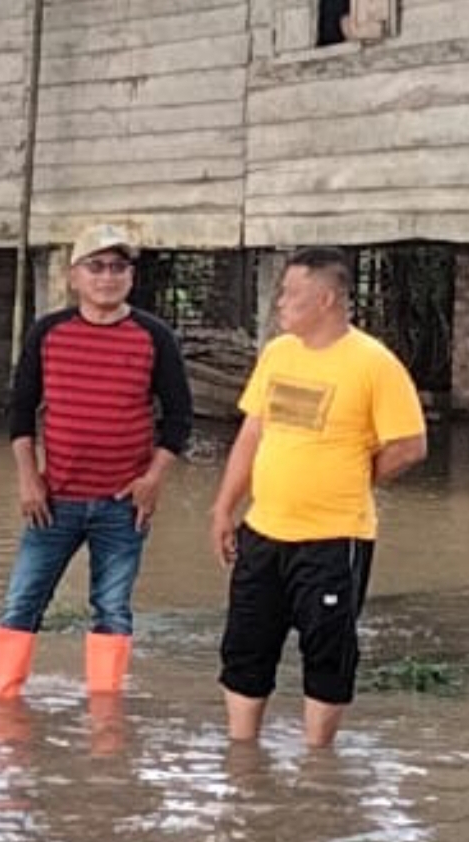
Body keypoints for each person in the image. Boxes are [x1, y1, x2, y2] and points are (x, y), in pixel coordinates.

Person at [210, 247, 427, 747]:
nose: (280, 303)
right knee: (245, 647)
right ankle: (242, 755)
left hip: (334, 537)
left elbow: (411, 446)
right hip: (263, 530)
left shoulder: (373, 363)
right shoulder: (278, 354)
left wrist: (357, 475)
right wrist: (224, 508)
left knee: (327, 651)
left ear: (326, 299)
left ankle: (317, 759)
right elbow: (252, 433)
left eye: (291, 294)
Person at [0, 223, 193, 700]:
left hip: (123, 503)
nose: (107, 277)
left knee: (113, 608)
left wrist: (153, 479)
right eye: (96, 266)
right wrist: (28, 479)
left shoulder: (153, 336)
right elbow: (19, 412)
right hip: (53, 500)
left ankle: (105, 714)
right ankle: (2, 705)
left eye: (118, 267)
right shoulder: (49, 333)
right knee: (21, 602)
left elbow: (179, 418)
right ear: (74, 277)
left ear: (131, 277)